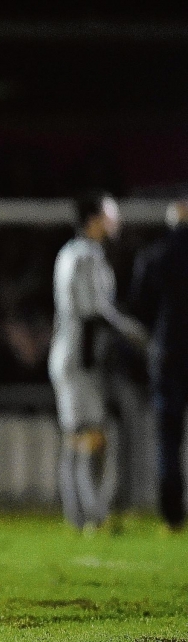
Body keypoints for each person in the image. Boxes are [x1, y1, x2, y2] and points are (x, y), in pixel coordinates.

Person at [47, 192, 149, 534]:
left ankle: (81, 515)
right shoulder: (88, 255)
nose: (114, 221)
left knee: (79, 437)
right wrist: (133, 332)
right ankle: (92, 516)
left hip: (68, 353)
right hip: (80, 357)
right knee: (90, 437)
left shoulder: (67, 253)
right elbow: (94, 313)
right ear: (93, 219)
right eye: (108, 215)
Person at [129, 199, 188, 532]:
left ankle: (172, 515)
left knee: (168, 437)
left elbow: (140, 309)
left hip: (167, 354)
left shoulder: (155, 255)